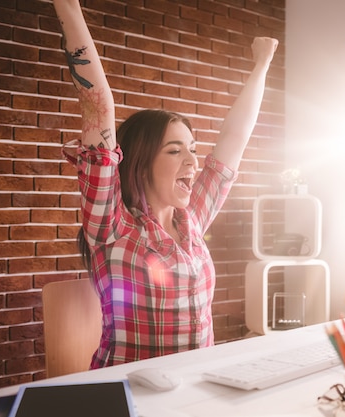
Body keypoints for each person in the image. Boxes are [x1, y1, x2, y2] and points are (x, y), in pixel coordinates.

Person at [52, 0, 278, 368]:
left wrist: (262, 64)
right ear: (140, 164)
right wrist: (69, 9)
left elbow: (236, 137)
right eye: (175, 152)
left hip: (196, 391)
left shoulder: (192, 220)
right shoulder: (112, 227)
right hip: (130, 394)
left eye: (192, 149)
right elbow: (98, 106)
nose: (192, 162)